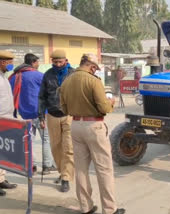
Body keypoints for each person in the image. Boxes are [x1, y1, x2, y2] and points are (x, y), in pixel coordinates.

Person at [60, 54, 125, 214]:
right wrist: (110, 104)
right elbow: (103, 108)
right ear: (91, 66)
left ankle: (86, 207)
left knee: (81, 169)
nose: (95, 70)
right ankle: (110, 209)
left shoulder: (67, 81)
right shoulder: (93, 81)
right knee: (104, 169)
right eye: (95, 68)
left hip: (75, 125)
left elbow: (64, 109)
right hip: (94, 127)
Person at [9, 53, 56, 175]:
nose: (38, 64)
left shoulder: (14, 76)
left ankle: (32, 166)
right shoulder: (39, 75)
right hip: (40, 114)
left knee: (29, 140)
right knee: (46, 139)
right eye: (37, 62)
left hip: (24, 114)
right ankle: (47, 166)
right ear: (33, 62)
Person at [38, 49, 74, 192]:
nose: (58, 64)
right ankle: (62, 171)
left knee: (69, 148)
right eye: (55, 62)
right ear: (52, 61)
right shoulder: (48, 75)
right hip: (52, 115)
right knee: (55, 147)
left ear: (66, 60)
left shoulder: (73, 74)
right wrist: (41, 116)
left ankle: (66, 177)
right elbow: (41, 97)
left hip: (69, 115)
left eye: (60, 61)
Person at [0, 50, 18, 196]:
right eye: (10, 62)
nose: (12, 65)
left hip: (6, 119)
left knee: (3, 152)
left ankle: (1, 179)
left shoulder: (4, 76)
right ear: (2, 62)